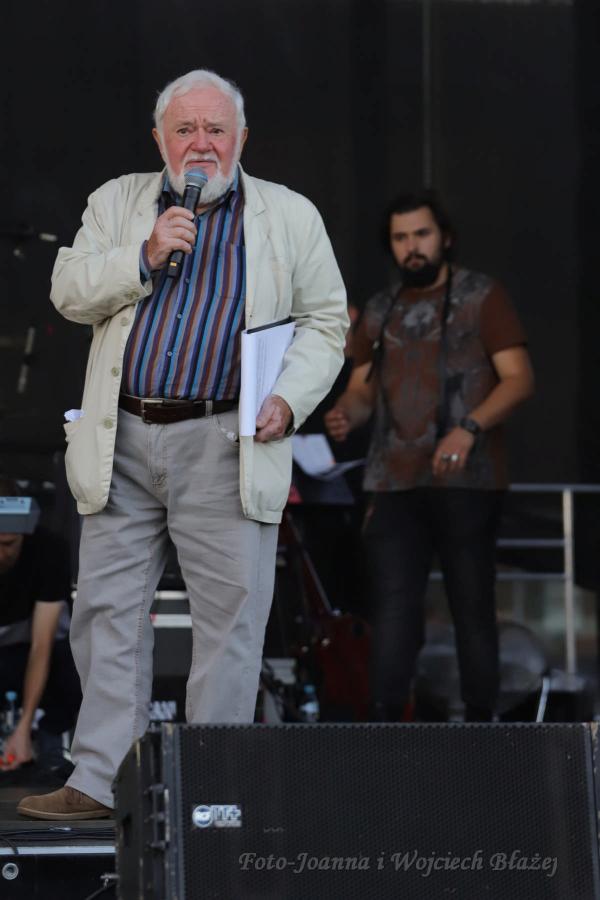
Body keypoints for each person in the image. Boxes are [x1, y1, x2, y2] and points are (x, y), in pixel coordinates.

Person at [18, 69, 347, 819]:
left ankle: (211, 788)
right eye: (185, 129)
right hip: (124, 434)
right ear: (159, 139)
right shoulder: (117, 202)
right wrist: (143, 253)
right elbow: (68, 292)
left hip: (225, 435)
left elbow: (327, 322)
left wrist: (289, 398)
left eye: (215, 129)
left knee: (231, 621)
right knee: (105, 612)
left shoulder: (289, 214)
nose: (201, 144)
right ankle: (98, 780)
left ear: (242, 139)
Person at [325, 191, 534, 723]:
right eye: (400, 238)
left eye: (421, 234)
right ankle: (387, 732)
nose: (411, 247)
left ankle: (483, 729)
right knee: (392, 610)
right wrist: (347, 412)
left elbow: (519, 379)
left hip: (469, 481)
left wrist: (469, 428)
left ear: (446, 237)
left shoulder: (482, 295)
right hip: (392, 482)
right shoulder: (380, 308)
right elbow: (362, 390)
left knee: (472, 606)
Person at [0, 478, 80, 777]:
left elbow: (41, 646)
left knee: (77, 661)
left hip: (33, 651)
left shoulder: (49, 550)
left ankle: (47, 739)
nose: (0, 554)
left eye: (8, 544)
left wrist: (23, 727)